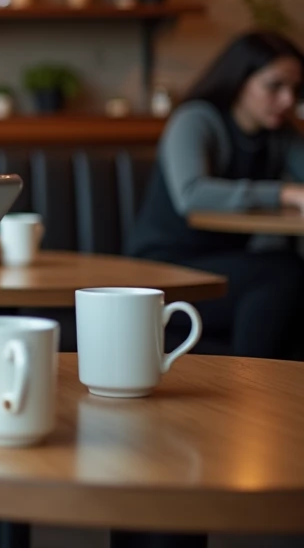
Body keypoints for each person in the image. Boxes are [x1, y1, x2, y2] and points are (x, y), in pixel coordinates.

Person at [127, 30, 304, 359]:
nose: (287, 100)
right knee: (283, 275)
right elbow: (192, 195)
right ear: (240, 80)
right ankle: (255, 387)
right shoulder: (196, 120)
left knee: (288, 275)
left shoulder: (280, 133)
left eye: (295, 90)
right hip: (162, 267)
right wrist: (284, 194)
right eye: (274, 86)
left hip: (219, 265)